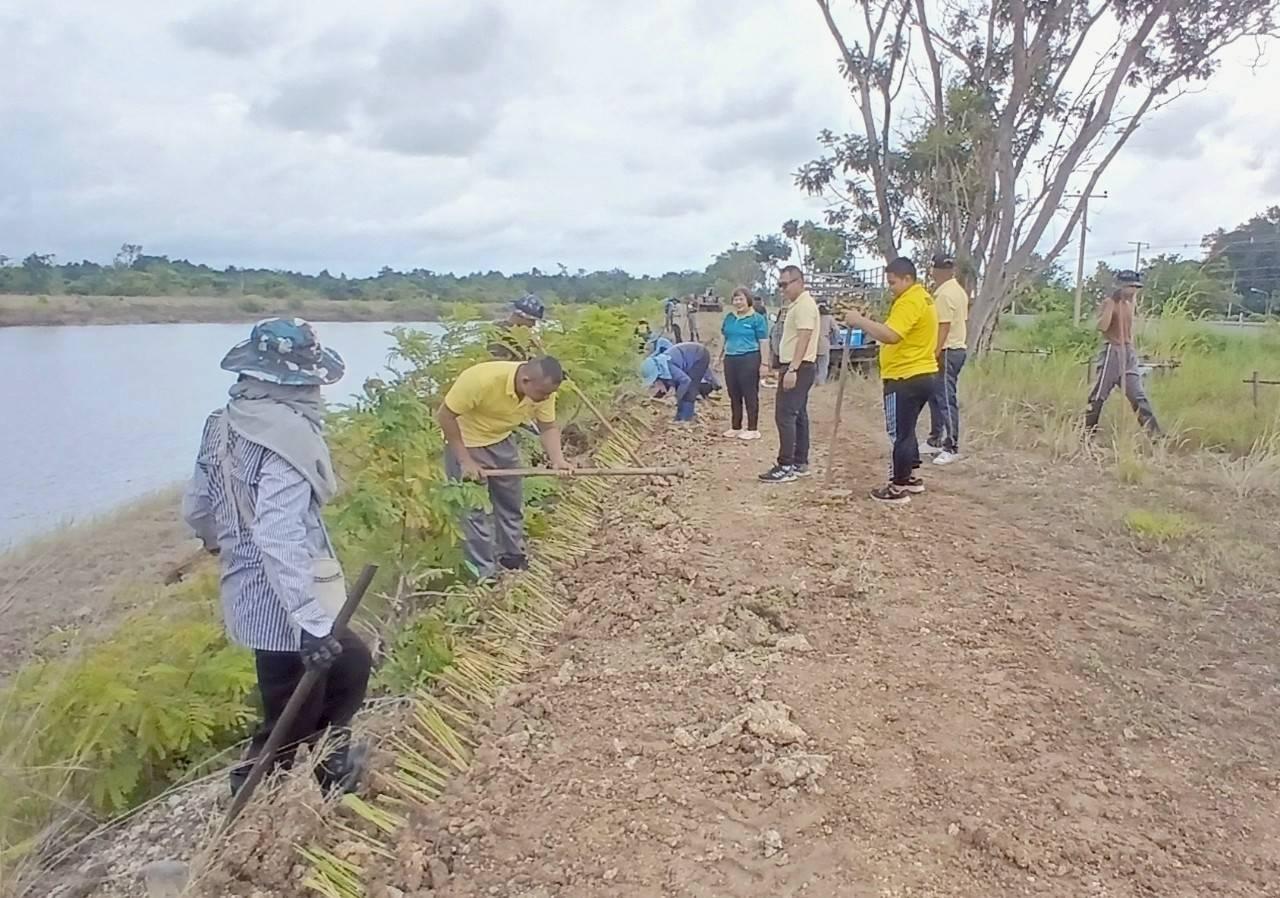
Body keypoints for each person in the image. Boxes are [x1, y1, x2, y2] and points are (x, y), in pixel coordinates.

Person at [182, 317, 371, 797]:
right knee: (293, 706)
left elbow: (198, 504)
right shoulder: (286, 436)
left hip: (249, 579)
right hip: (282, 590)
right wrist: (308, 619)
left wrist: (216, 541)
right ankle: (255, 793)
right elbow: (279, 532)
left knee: (349, 664)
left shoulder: (223, 422)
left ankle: (330, 760)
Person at [437, 357, 572, 580]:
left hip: (501, 440)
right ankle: (485, 573)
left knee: (510, 502)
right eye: (542, 394)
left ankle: (512, 558)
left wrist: (558, 459)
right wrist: (465, 461)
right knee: (473, 512)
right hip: (466, 443)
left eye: (549, 394)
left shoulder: (544, 390)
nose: (545, 398)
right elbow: (445, 415)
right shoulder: (480, 380)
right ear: (526, 380)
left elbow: (547, 426)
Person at [844, 257, 940, 505]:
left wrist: (859, 321)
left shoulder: (910, 301)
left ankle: (897, 487)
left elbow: (891, 335)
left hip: (904, 376)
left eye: (893, 282)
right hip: (922, 372)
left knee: (899, 433)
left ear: (908, 278)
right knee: (907, 430)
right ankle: (910, 477)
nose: (890, 287)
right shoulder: (923, 298)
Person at [759, 265, 820, 483]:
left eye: (785, 284)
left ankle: (786, 465)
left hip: (799, 366)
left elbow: (804, 336)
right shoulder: (796, 305)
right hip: (796, 365)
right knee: (798, 415)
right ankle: (799, 462)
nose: (781, 289)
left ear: (799, 281)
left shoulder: (804, 305)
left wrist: (792, 368)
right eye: (779, 285)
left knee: (785, 415)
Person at [1085, 270, 1162, 436]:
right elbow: (1102, 327)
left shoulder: (1129, 304)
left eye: (1136, 287)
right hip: (1113, 350)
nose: (1135, 290)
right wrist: (1111, 305)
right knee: (1099, 395)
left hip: (1128, 352)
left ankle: (1156, 436)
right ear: (1122, 286)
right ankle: (1087, 435)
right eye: (1132, 287)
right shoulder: (1109, 302)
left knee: (1138, 395)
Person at [924, 254, 970, 465]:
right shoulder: (957, 291)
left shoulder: (944, 295)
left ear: (935, 270)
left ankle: (951, 446)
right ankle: (935, 440)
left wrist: (935, 351)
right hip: (954, 349)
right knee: (935, 397)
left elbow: (944, 325)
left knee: (945, 399)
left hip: (948, 350)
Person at [719, 286, 770, 440]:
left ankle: (753, 428)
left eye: (741, 299)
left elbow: (764, 342)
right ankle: (736, 426)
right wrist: (718, 356)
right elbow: (724, 338)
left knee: (750, 393)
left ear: (748, 300)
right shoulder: (729, 318)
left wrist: (764, 363)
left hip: (749, 357)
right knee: (734, 393)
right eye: (735, 299)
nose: (738, 302)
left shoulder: (757, 319)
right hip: (731, 358)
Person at [642, 341, 711, 423]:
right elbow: (665, 384)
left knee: (690, 389)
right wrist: (654, 399)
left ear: (657, 373)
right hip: (689, 355)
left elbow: (685, 381)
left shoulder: (669, 366)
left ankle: (686, 419)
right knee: (681, 387)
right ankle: (679, 417)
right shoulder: (661, 366)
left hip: (699, 355)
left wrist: (675, 397)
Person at [489, 293, 546, 360]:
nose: (533, 324)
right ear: (520, 316)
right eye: (531, 320)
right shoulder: (497, 332)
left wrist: (538, 348)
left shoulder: (528, 337)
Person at [815, 302, 838, 385]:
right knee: (823, 365)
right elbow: (836, 330)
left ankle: (814, 382)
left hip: (812, 344)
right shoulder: (829, 318)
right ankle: (821, 382)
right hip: (824, 343)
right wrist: (835, 341)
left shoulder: (814, 317)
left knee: (814, 365)